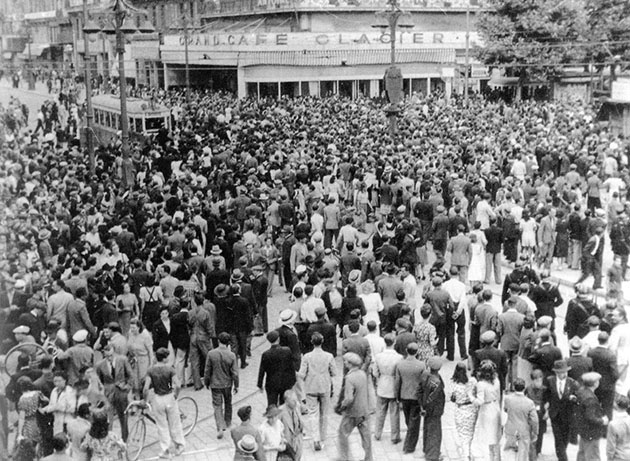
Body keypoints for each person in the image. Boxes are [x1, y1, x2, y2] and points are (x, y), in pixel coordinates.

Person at [143, 347, 185, 458]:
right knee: (174, 423)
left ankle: (165, 450)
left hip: (157, 398)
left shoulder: (150, 370)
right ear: (165, 358)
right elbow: (178, 384)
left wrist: (145, 400)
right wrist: (176, 395)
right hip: (169, 397)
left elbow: (146, 388)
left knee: (161, 425)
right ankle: (179, 445)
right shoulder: (170, 369)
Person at [298, 332, 336, 451]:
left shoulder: (306, 357)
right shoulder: (329, 356)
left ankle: (315, 439)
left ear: (312, 342)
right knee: (324, 414)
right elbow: (334, 372)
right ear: (322, 341)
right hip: (324, 387)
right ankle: (323, 439)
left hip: (311, 388)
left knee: (313, 414)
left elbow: (302, 374)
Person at [336, 352, 372, 461]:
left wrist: (342, 407)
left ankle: (344, 457)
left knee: (342, 433)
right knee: (366, 437)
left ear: (350, 364)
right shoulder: (362, 374)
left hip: (352, 413)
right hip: (364, 411)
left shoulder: (349, 378)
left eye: (346, 361)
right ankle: (368, 458)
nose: (345, 363)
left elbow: (349, 398)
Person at [543, 359, 580, 461]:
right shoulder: (550, 381)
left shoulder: (573, 383)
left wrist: (574, 398)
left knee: (565, 439)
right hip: (555, 414)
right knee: (558, 439)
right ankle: (563, 459)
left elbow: (579, 400)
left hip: (568, 415)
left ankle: (562, 455)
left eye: (564, 372)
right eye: (560, 372)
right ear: (556, 372)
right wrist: (546, 407)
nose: (562, 374)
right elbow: (546, 396)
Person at [205, 332, 239, 439]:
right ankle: (228, 422)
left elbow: (207, 370)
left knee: (217, 406)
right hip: (227, 384)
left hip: (215, 384)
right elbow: (235, 373)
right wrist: (236, 385)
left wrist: (206, 382)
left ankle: (220, 427)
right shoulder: (232, 355)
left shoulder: (211, 354)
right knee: (228, 403)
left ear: (218, 341)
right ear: (228, 343)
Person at [95, 344, 133, 441]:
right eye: (107, 356)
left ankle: (125, 439)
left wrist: (127, 387)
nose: (109, 358)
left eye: (111, 355)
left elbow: (130, 375)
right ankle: (108, 440)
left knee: (123, 417)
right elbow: (98, 381)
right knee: (108, 419)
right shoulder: (100, 365)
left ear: (114, 353)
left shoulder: (123, 360)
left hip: (121, 392)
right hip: (108, 394)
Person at [372, 333, 402, 444]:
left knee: (380, 411)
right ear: (394, 343)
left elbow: (375, 373)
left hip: (382, 385)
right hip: (393, 386)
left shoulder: (378, 357)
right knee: (394, 413)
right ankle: (395, 436)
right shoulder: (399, 358)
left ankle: (377, 433)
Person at [471, 360, 502, 461]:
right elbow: (499, 395)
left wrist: (471, 397)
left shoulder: (481, 384)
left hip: (486, 409)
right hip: (495, 406)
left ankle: (489, 457)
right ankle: (496, 457)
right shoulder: (497, 381)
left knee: (486, 436)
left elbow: (480, 401)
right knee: (495, 435)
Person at [502, 378, 538, 461]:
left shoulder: (508, 399)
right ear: (524, 388)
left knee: (509, 452)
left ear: (514, 387)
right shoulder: (530, 402)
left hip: (510, 429)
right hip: (524, 430)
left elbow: (505, 409)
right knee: (523, 454)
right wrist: (535, 432)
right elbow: (534, 420)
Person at [575, 372, 608, 461]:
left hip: (583, 430)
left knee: (582, 454)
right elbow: (591, 417)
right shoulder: (591, 399)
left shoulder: (582, 392)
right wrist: (602, 421)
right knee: (593, 456)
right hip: (591, 432)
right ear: (595, 383)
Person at [257, 330, 296, 406]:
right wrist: (293, 381)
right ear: (278, 339)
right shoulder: (287, 350)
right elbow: (291, 367)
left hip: (271, 384)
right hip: (285, 382)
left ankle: (273, 417)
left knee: (272, 405)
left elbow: (261, 371)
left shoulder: (266, 354)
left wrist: (260, 384)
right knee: (284, 405)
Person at [587, 331, 619, 420]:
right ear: (607, 340)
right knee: (607, 409)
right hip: (607, 387)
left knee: (594, 408)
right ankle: (606, 431)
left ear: (598, 340)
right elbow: (615, 374)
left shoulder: (591, 352)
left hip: (594, 384)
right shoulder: (611, 355)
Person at [450, 362, 477, 460]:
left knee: (462, 434)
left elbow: (452, 398)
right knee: (470, 433)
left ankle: (466, 455)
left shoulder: (453, 383)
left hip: (460, 410)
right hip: (471, 409)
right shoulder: (472, 381)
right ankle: (468, 451)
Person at [421, 356, 446, 461]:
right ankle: (432, 455)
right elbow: (432, 398)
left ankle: (426, 449)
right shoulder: (437, 382)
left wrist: (423, 407)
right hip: (434, 410)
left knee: (427, 429)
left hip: (427, 409)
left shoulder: (425, 375)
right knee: (434, 432)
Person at [126, 318, 154, 399]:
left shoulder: (145, 335)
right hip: (134, 359)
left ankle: (145, 399)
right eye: (131, 328)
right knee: (135, 381)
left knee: (143, 379)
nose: (132, 330)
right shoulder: (130, 333)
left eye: (134, 328)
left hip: (144, 359)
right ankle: (137, 398)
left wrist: (151, 364)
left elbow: (150, 352)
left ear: (138, 327)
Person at [279, 390, 303, 461]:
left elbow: (300, 421)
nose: (295, 402)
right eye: (293, 400)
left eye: (296, 399)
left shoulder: (297, 406)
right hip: (288, 443)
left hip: (298, 440)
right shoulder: (280, 411)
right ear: (286, 401)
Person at [606, 395, 630, 461]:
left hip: (619, 457)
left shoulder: (613, 424)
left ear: (615, 405)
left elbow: (611, 446)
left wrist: (609, 458)